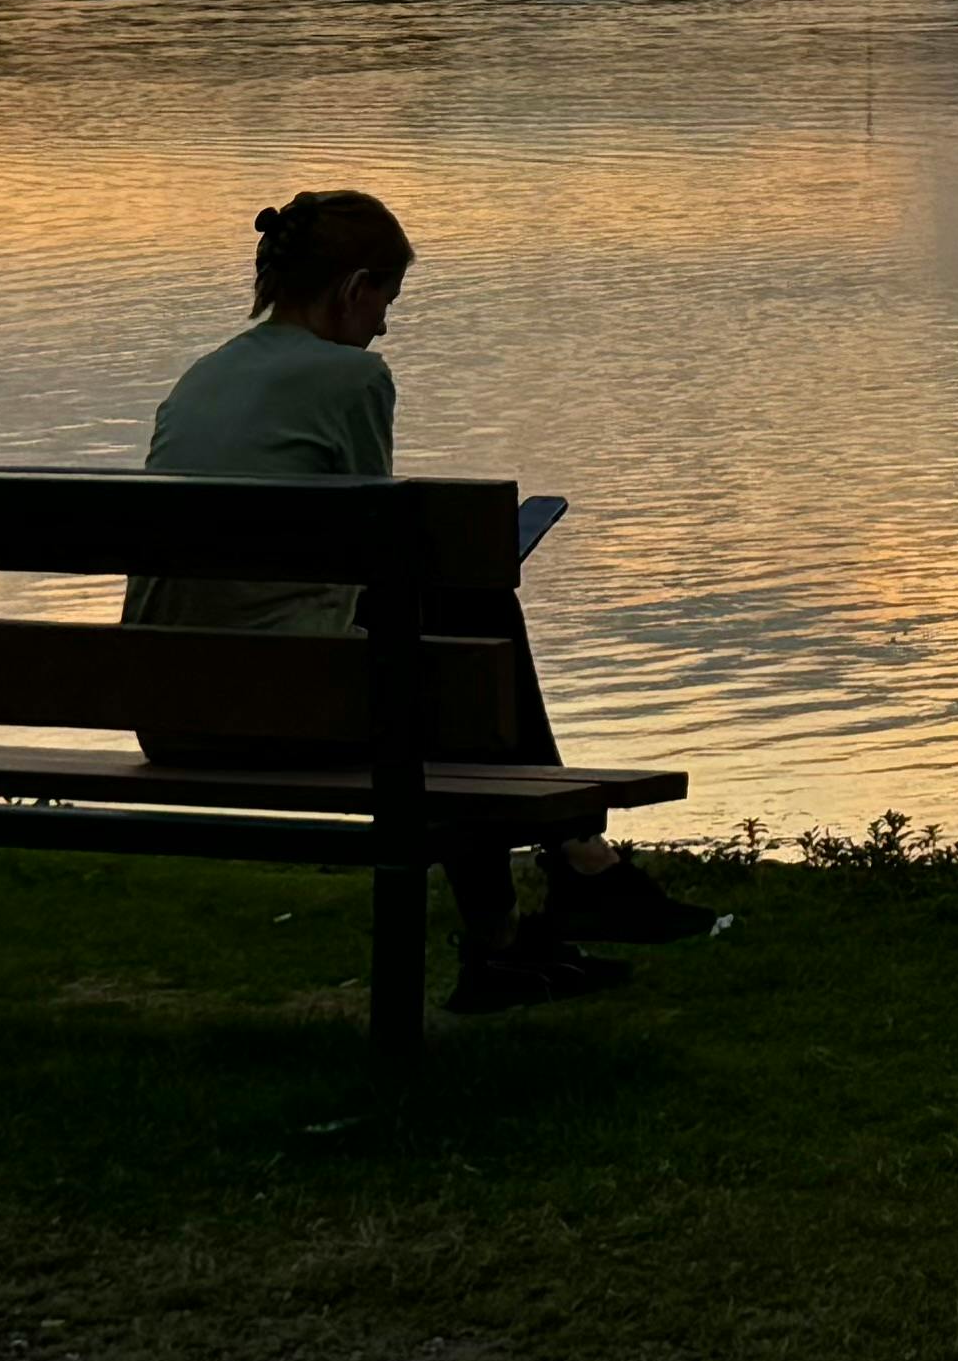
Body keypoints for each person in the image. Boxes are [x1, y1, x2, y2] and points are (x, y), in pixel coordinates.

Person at [124, 187, 723, 1013]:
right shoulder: (350, 376)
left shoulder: (204, 376)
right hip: (270, 713)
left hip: (168, 705)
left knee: (447, 640)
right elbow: (383, 548)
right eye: (386, 301)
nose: (384, 326)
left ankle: (529, 920)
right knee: (463, 623)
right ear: (353, 287)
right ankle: (575, 865)